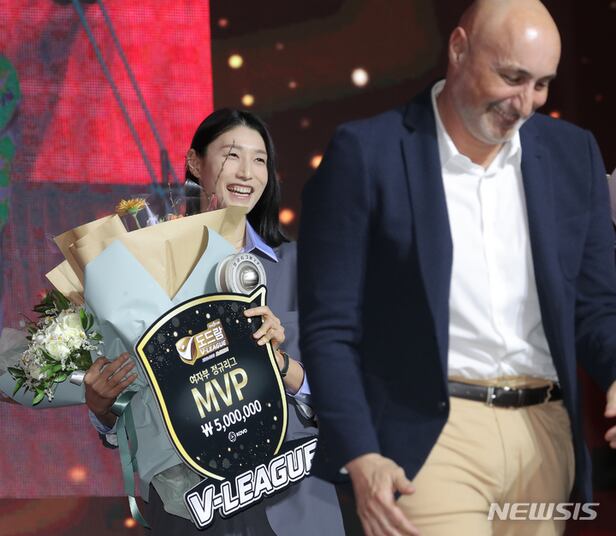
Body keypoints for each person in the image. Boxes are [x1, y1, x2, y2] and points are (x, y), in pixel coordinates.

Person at [297, 1, 616, 535]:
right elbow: (330, 327)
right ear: (459, 49)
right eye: (512, 77)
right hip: (431, 438)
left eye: (541, 85)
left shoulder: (572, 153)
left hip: (545, 435)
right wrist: (361, 454)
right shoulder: (367, 153)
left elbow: (597, 305)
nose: (525, 103)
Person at [84, 108, 345, 535]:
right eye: (232, 155)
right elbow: (137, 413)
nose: (247, 172)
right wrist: (102, 409)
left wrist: (284, 367)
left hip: (291, 501)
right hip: (191, 509)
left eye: (259, 160)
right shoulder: (143, 275)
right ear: (194, 162)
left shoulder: (303, 267)